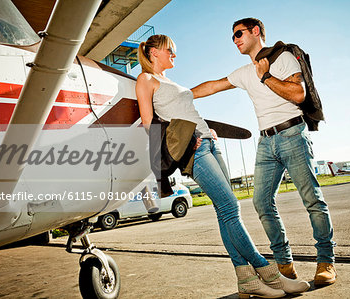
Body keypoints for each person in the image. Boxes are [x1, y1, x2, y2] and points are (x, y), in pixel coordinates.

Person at [136, 34, 310, 298]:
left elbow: (186, 112)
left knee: (224, 212)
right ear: (153, 53)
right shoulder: (146, 80)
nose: (174, 54)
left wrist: (207, 131)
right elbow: (149, 125)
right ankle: (270, 273)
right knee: (231, 208)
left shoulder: (170, 82)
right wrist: (185, 143)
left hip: (208, 141)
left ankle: (246, 280)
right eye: (170, 50)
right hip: (193, 150)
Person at [191, 18, 337, 286]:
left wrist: (266, 76)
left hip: (292, 133)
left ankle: (326, 261)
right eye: (232, 37)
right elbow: (213, 85)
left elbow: (298, 94)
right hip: (266, 142)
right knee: (261, 203)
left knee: (312, 200)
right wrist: (180, 97)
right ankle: (285, 264)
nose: (235, 40)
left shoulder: (283, 57)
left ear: (255, 32)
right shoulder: (244, 72)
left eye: (238, 34)